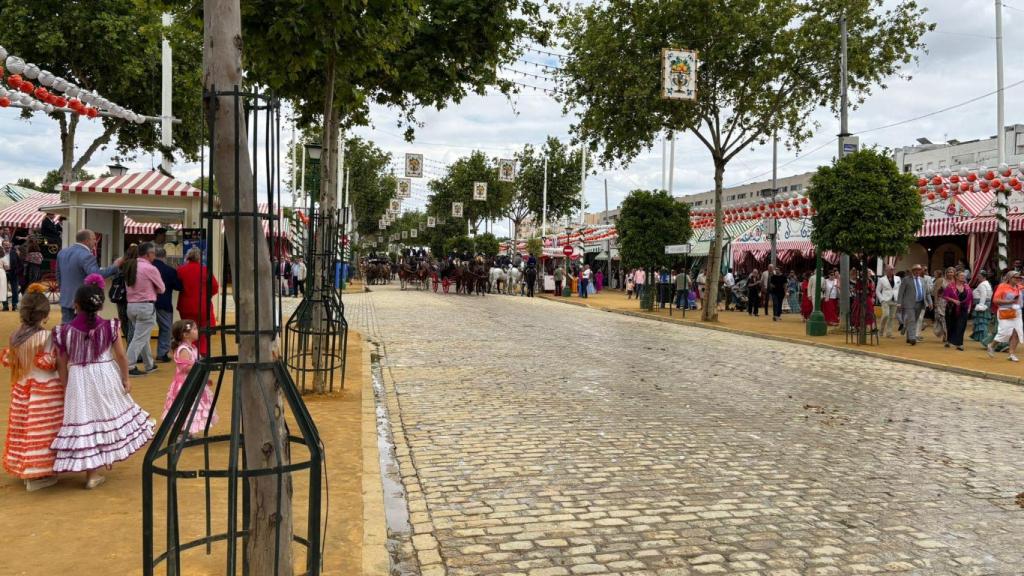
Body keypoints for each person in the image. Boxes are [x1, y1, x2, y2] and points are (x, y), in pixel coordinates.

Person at [51, 274, 153, 488]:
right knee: (105, 417)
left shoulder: (64, 332)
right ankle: (99, 466)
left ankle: (91, 474)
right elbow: (122, 356)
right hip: (105, 374)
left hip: (79, 378)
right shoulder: (110, 326)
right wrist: (125, 378)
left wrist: (66, 385)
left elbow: (61, 362)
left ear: (75, 305)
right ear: (99, 306)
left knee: (86, 421)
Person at [2, 283, 62, 491]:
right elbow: (48, 363)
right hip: (44, 391)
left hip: (22, 389)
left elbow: (9, 360)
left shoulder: (15, 337)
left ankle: (26, 469)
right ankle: (39, 475)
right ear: (44, 316)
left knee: (24, 428)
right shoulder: (46, 337)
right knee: (43, 431)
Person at [161, 319, 218, 436]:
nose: (198, 331)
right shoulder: (183, 349)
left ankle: (187, 431)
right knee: (185, 406)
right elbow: (186, 367)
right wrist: (202, 367)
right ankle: (181, 432)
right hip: (185, 384)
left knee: (193, 407)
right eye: (195, 329)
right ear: (185, 334)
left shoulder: (193, 348)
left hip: (194, 382)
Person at [55, 229, 120, 324]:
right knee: (83, 329)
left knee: (67, 329)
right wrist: (115, 267)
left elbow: (58, 275)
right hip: (83, 300)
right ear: (86, 240)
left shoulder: (62, 253)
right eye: (94, 239)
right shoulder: (86, 255)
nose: (95, 242)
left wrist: (63, 291)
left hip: (66, 298)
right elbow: (96, 275)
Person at [125, 242, 165, 376]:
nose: (154, 255)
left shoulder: (130, 265)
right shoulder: (150, 268)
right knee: (140, 338)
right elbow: (162, 288)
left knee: (142, 336)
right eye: (153, 253)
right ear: (148, 254)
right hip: (145, 306)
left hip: (131, 305)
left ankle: (149, 364)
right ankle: (129, 365)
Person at [177, 247, 219, 357]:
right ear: (200, 257)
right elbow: (215, 287)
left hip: (185, 305)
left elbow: (177, 285)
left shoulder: (181, 270)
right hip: (203, 305)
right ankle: (203, 352)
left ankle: (189, 350)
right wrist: (207, 295)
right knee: (203, 329)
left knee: (188, 328)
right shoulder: (205, 270)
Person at [153, 247, 182, 363]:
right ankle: (162, 353)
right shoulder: (169, 270)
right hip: (164, 303)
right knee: (165, 328)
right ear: (164, 256)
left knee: (143, 330)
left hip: (146, 302)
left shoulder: (147, 268)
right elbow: (179, 286)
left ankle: (140, 355)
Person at [986, 270, 1022, 362]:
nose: (1018, 279)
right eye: (1016, 277)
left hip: (1016, 313)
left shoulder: (1019, 287)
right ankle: (992, 345)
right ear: (1009, 278)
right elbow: (995, 300)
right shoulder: (1002, 286)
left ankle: (1011, 353)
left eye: (1019, 277)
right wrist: (1009, 302)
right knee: (1005, 332)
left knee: (1017, 332)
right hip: (1004, 312)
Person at [897, 265, 932, 346]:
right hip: (909, 303)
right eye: (915, 270)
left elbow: (927, 293)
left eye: (919, 270)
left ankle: (909, 337)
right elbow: (901, 292)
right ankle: (912, 338)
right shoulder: (906, 280)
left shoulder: (923, 280)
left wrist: (930, 302)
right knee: (912, 320)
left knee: (914, 320)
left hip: (920, 303)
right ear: (912, 271)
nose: (917, 272)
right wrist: (899, 302)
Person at [942, 270, 973, 351]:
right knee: (951, 325)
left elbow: (970, 298)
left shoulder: (967, 286)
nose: (963, 277)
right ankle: (949, 340)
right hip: (952, 309)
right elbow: (945, 296)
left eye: (964, 276)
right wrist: (954, 300)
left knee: (961, 325)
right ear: (956, 277)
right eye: (961, 276)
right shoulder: (950, 286)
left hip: (963, 309)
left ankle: (959, 344)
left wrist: (969, 307)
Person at [876, 265, 901, 338]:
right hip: (885, 300)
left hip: (895, 300)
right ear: (886, 270)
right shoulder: (881, 279)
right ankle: (880, 331)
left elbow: (899, 289)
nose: (892, 271)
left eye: (893, 269)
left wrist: (899, 300)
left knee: (892, 317)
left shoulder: (898, 278)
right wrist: (882, 299)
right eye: (890, 269)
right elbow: (877, 291)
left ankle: (889, 333)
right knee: (886, 315)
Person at [970, 270, 994, 345]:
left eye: (979, 275)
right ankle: (978, 336)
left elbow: (983, 295)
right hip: (984, 303)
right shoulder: (986, 283)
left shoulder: (983, 284)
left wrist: (981, 305)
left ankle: (982, 337)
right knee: (980, 320)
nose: (977, 277)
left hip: (982, 304)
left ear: (982, 276)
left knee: (981, 320)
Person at [932, 267, 954, 342]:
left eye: (951, 272)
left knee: (950, 319)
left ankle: (947, 333)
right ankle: (946, 334)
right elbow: (935, 291)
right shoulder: (941, 280)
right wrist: (935, 302)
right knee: (942, 318)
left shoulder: (955, 281)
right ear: (946, 273)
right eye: (948, 272)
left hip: (952, 303)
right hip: (942, 301)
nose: (950, 273)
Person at [5, 240, 20, 310]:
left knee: (15, 290)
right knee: (3, 290)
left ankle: (14, 305)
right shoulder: (0, 253)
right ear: (3, 246)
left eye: (8, 245)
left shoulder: (14, 253)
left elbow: (20, 264)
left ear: (10, 245)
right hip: (3, 274)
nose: (7, 246)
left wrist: (17, 271)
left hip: (13, 273)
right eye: (5, 245)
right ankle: (5, 306)